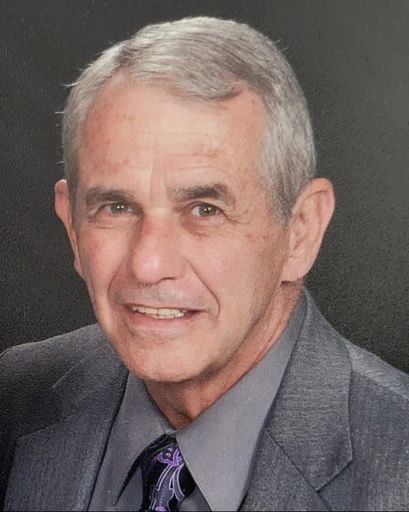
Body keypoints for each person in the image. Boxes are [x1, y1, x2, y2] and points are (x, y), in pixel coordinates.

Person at [1, 16, 409, 512]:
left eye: (205, 210)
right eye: (117, 207)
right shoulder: (15, 399)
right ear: (72, 225)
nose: (148, 264)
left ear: (300, 231)